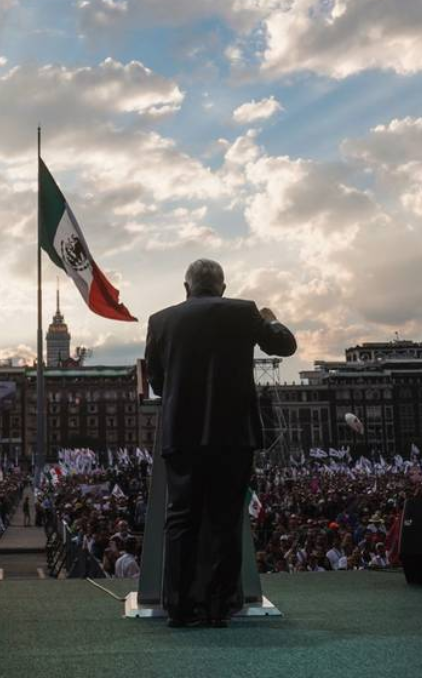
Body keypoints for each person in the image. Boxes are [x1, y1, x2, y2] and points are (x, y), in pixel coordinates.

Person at [144, 258, 297, 628]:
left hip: (182, 435)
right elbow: (286, 346)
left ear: (186, 288)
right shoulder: (244, 312)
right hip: (233, 436)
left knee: (180, 520)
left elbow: (158, 383)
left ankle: (180, 608)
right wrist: (271, 318)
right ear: (223, 288)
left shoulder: (161, 320)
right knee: (226, 520)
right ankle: (218, 609)